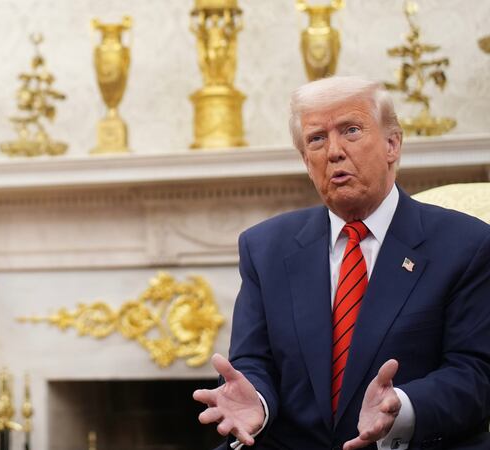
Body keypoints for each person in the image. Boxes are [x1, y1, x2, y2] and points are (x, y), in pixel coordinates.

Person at [193, 76, 490, 450]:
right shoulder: (265, 248)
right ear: (305, 160)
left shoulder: (466, 244)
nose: (333, 151)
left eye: (351, 130)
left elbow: (475, 374)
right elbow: (253, 362)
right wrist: (258, 402)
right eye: (316, 139)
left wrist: (403, 407)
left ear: (392, 144)